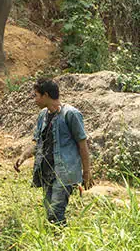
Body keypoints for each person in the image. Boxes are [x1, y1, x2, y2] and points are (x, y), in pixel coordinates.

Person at [12, 79, 92, 226]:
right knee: (49, 210)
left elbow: (83, 145)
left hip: (64, 172)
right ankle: (58, 241)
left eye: (36, 95)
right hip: (47, 171)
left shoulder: (71, 114)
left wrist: (86, 172)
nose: (34, 100)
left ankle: (61, 243)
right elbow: (37, 141)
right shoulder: (43, 115)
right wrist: (23, 156)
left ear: (46, 95)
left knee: (56, 212)